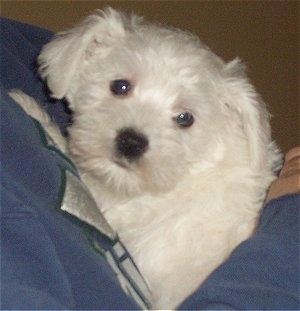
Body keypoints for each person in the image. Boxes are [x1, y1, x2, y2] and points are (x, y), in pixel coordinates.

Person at [1, 17, 299, 310]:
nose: (135, 133)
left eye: (183, 119)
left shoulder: (223, 190)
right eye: (121, 88)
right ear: (82, 62)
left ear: (233, 120)